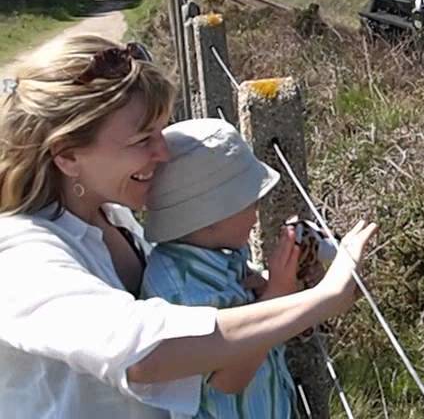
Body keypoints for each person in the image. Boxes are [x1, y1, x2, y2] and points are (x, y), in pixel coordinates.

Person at [0, 35, 377, 419]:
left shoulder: (112, 217)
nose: (162, 152)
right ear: (67, 157)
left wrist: (274, 282)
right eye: (143, 139)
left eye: (161, 132)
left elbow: (182, 309)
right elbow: (145, 353)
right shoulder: (21, 257)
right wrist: (323, 300)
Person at [140, 118, 301, 418]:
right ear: (213, 214)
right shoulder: (181, 289)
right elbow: (228, 380)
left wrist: (266, 285)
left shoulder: (222, 254)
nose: (256, 215)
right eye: (248, 203)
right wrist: (278, 294)